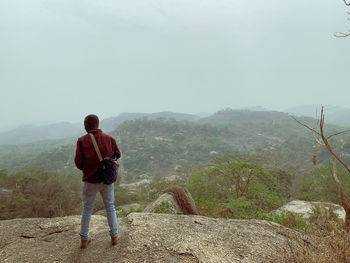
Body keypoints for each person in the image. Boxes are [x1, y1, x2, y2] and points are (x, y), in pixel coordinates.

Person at [74, 114, 121, 249]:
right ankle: (114, 236)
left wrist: (88, 168)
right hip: (107, 180)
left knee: (87, 209)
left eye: (85, 123)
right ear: (97, 124)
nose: (84, 125)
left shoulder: (82, 141)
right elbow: (118, 154)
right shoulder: (109, 138)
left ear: (87, 125)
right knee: (110, 207)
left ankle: (84, 239)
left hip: (90, 180)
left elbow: (78, 162)